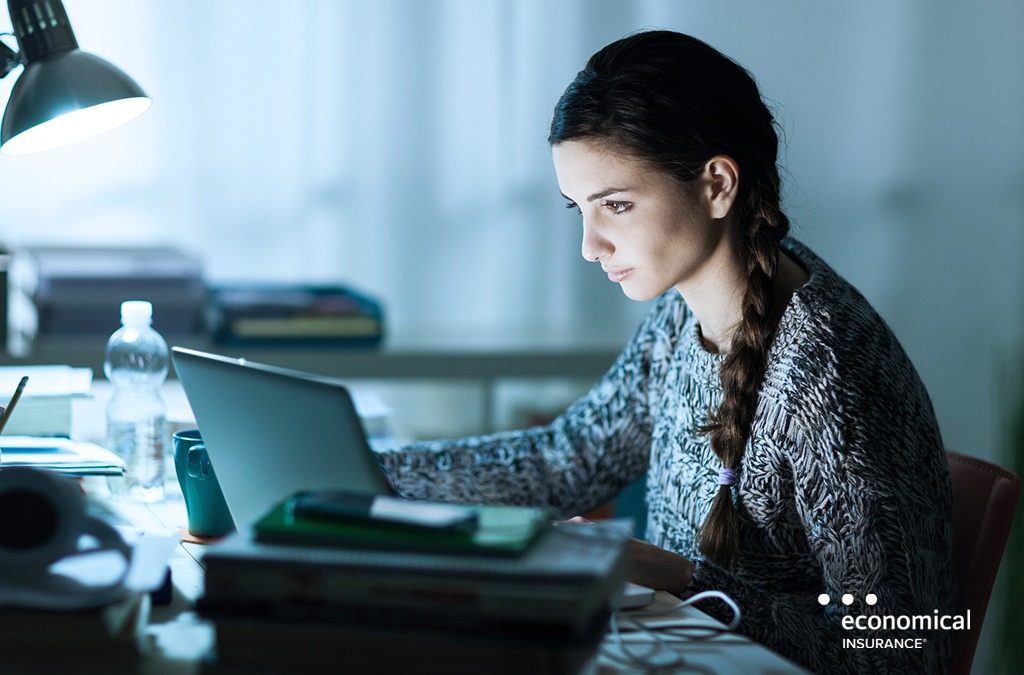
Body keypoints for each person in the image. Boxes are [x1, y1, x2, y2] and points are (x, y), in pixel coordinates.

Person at [376, 30, 954, 674]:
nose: (592, 247)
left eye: (616, 206)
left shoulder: (829, 375)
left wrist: (685, 582)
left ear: (716, 185)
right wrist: (376, 473)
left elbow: (900, 651)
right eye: (580, 211)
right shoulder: (687, 309)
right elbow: (572, 458)